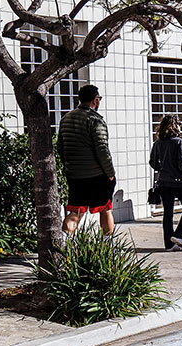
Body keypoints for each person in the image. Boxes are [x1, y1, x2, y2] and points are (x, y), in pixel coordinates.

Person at [57, 85, 115, 235]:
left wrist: (68, 167)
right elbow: (102, 150)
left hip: (75, 175)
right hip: (97, 175)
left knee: (75, 211)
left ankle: (65, 241)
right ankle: (108, 244)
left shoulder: (66, 119)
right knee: (106, 209)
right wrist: (110, 173)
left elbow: (60, 148)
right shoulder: (95, 120)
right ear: (95, 100)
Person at [149, 115, 182, 250]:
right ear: (176, 126)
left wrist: (163, 169)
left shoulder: (157, 143)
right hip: (179, 182)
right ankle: (178, 234)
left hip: (164, 182)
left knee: (168, 213)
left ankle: (169, 244)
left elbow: (152, 162)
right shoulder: (179, 142)